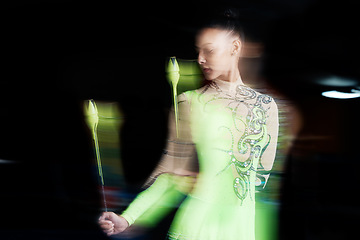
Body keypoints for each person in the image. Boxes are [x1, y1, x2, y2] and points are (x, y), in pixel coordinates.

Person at [99, 8, 279, 240]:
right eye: (199, 51)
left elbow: (261, 183)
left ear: (235, 47)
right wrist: (128, 217)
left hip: (242, 232)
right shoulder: (191, 102)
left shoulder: (267, 106)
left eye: (210, 50)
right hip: (196, 229)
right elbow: (172, 176)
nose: (201, 58)